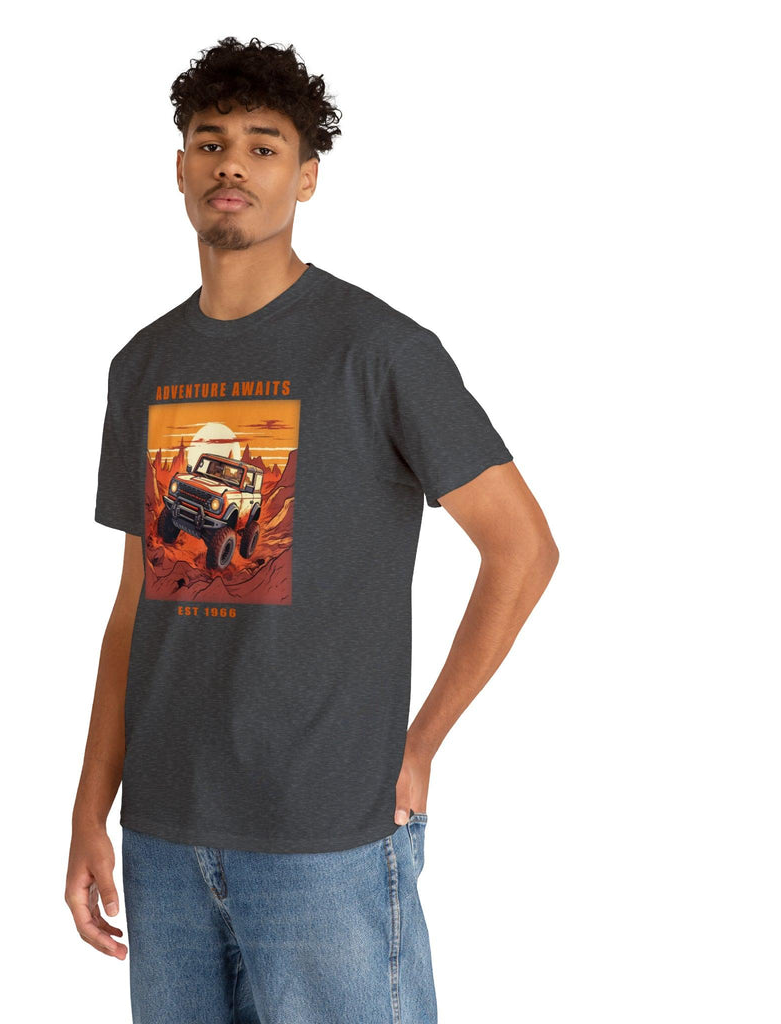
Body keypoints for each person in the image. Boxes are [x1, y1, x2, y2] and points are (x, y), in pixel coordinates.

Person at [66, 36, 559, 1024]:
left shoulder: (379, 351)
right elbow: (134, 609)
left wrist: (421, 741)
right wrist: (91, 808)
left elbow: (523, 548)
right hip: (164, 833)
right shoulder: (143, 364)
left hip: (325, 834)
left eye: (263, 146)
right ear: (179, 168)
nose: (232, 166)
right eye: (211, 143)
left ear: (306, 176)